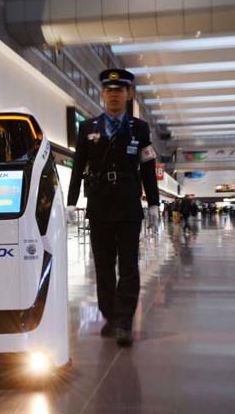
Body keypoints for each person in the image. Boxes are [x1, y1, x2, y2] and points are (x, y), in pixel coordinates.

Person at [66, 68, 159, 347]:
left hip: (130, 205)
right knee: (104, 266)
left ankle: (124, 322)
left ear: (128, 94)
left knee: (128, 265)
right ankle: (109, 315)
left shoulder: (139, 128)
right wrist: (72, 201)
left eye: (119, 91)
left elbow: (147, 166)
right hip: (99, 205)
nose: (114, 95)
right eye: (109, 90)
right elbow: (78, 166)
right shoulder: (88, 128)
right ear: (103, 94)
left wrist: (153, 203)